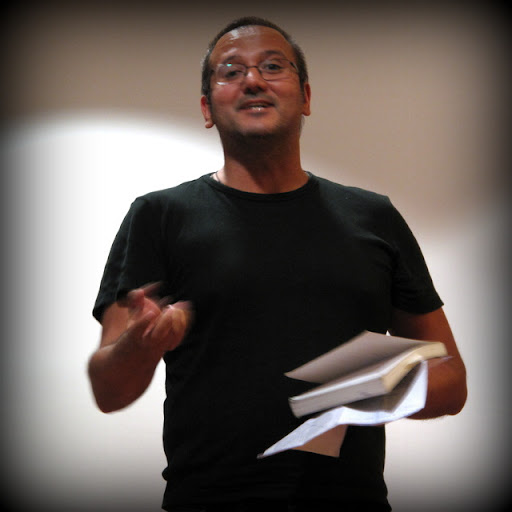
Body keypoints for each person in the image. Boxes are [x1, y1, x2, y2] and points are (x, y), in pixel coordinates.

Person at [88, 16, 467, 512]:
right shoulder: (160, 215)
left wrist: (364, 386)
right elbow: (108, 390)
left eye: (272, 66)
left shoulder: (373, 216)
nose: (253, 80)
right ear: (207, 108)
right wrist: (139, 345)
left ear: (305, 97)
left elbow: (450, 378)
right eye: (231, 71)